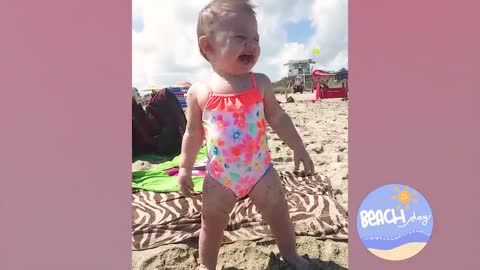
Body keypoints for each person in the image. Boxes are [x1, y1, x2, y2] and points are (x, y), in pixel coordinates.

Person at [178, 1, 315, 269]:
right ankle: (207, 266)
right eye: (240, 38)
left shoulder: (260, 82)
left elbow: (278, 118)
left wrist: (299, 147)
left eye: (255, 39)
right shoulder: (200, 91)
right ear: (208, 47)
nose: (251, 45)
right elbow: (193, 133)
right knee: (212, 222)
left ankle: (290, 254)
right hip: (220, 176)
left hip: (260, 170)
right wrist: (184, 167)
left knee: (279, 211)